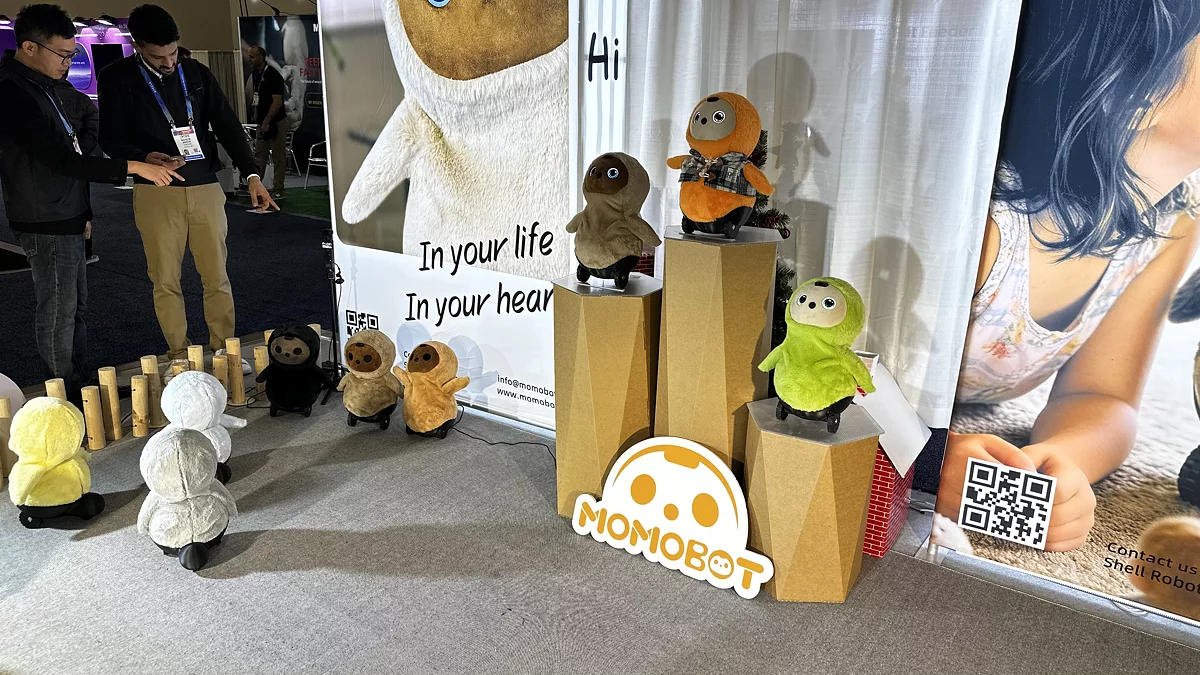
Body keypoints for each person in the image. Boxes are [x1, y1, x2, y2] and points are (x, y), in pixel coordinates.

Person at [938, 0, 1200, 551]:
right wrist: (925, 456)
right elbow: (841, 368)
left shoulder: (1173, 225)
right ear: (1142, 87)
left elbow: (1104, 396)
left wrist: (1062, 461)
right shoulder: (984, 218)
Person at [0, 3, 182, 406]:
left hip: (67, 211)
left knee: (74, 307)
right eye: (63, 55)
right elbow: (60, 161)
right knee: (58, 310)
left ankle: (78, 385)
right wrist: (134, 167)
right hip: (44, 217)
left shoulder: (49, 86)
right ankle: (61, 398)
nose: (68, 63)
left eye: (72, 54)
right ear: (29, 47)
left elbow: (81, 144)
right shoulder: (12, 93)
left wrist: (85, 211)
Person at [98, 4, 277, 369]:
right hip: (156, 191)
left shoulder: (195, 72)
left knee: (217, 276)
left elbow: (227, 125)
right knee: (165, 280)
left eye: (173, 53)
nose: (168, 62)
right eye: (157, 56)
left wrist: (252, 175)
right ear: (137, 45)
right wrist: (144, 157)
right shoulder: (117, 77)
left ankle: (224, 351)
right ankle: (179, 356)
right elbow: (110, 138)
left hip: (205, 186)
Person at [248, 45, 289, 200]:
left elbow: (277, 102)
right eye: (249, 56)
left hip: (276, 122)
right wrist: (257, 117)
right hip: (262, 122)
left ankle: (278, 189)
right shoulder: (255, 74)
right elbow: (257, 97)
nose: (249, 59)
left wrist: (266, 121)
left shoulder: (273, 75)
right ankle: (257, 188)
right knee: (259, 156)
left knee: (278, 157)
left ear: (261, 58)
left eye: (252, 57)